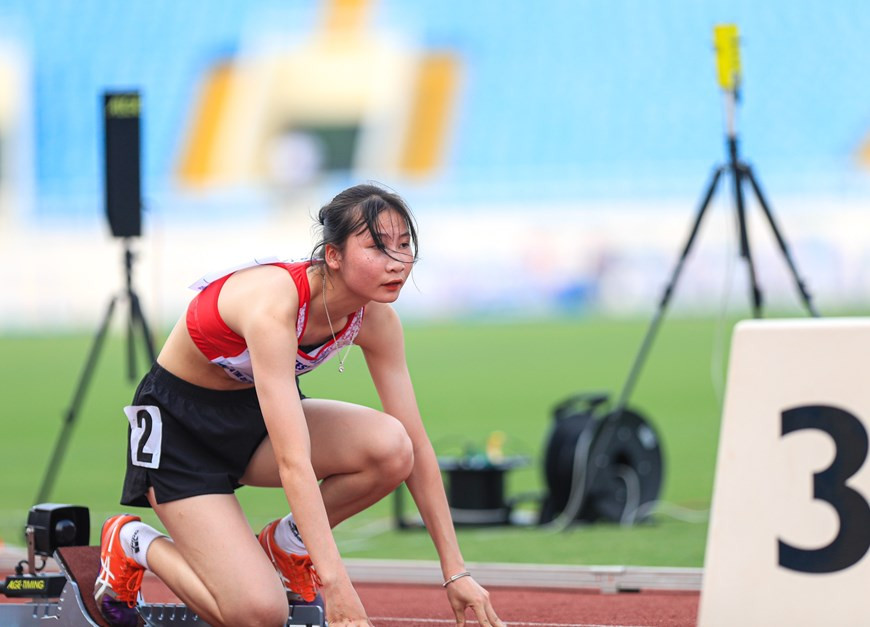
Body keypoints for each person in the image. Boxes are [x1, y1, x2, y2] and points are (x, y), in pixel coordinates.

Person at [92, 183, 505, 627]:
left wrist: (454, 570)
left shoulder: (376, 319)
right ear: (333, 255)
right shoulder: (274, 305)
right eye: (377, 248)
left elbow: (418, 446)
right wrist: (337, 585)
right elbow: (294, 461)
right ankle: (131, 542)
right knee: (259, 614)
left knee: (394, 447)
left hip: (256, 420)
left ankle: (286, 544)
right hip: (181, 434)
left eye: (404, 246)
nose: (397, 263)